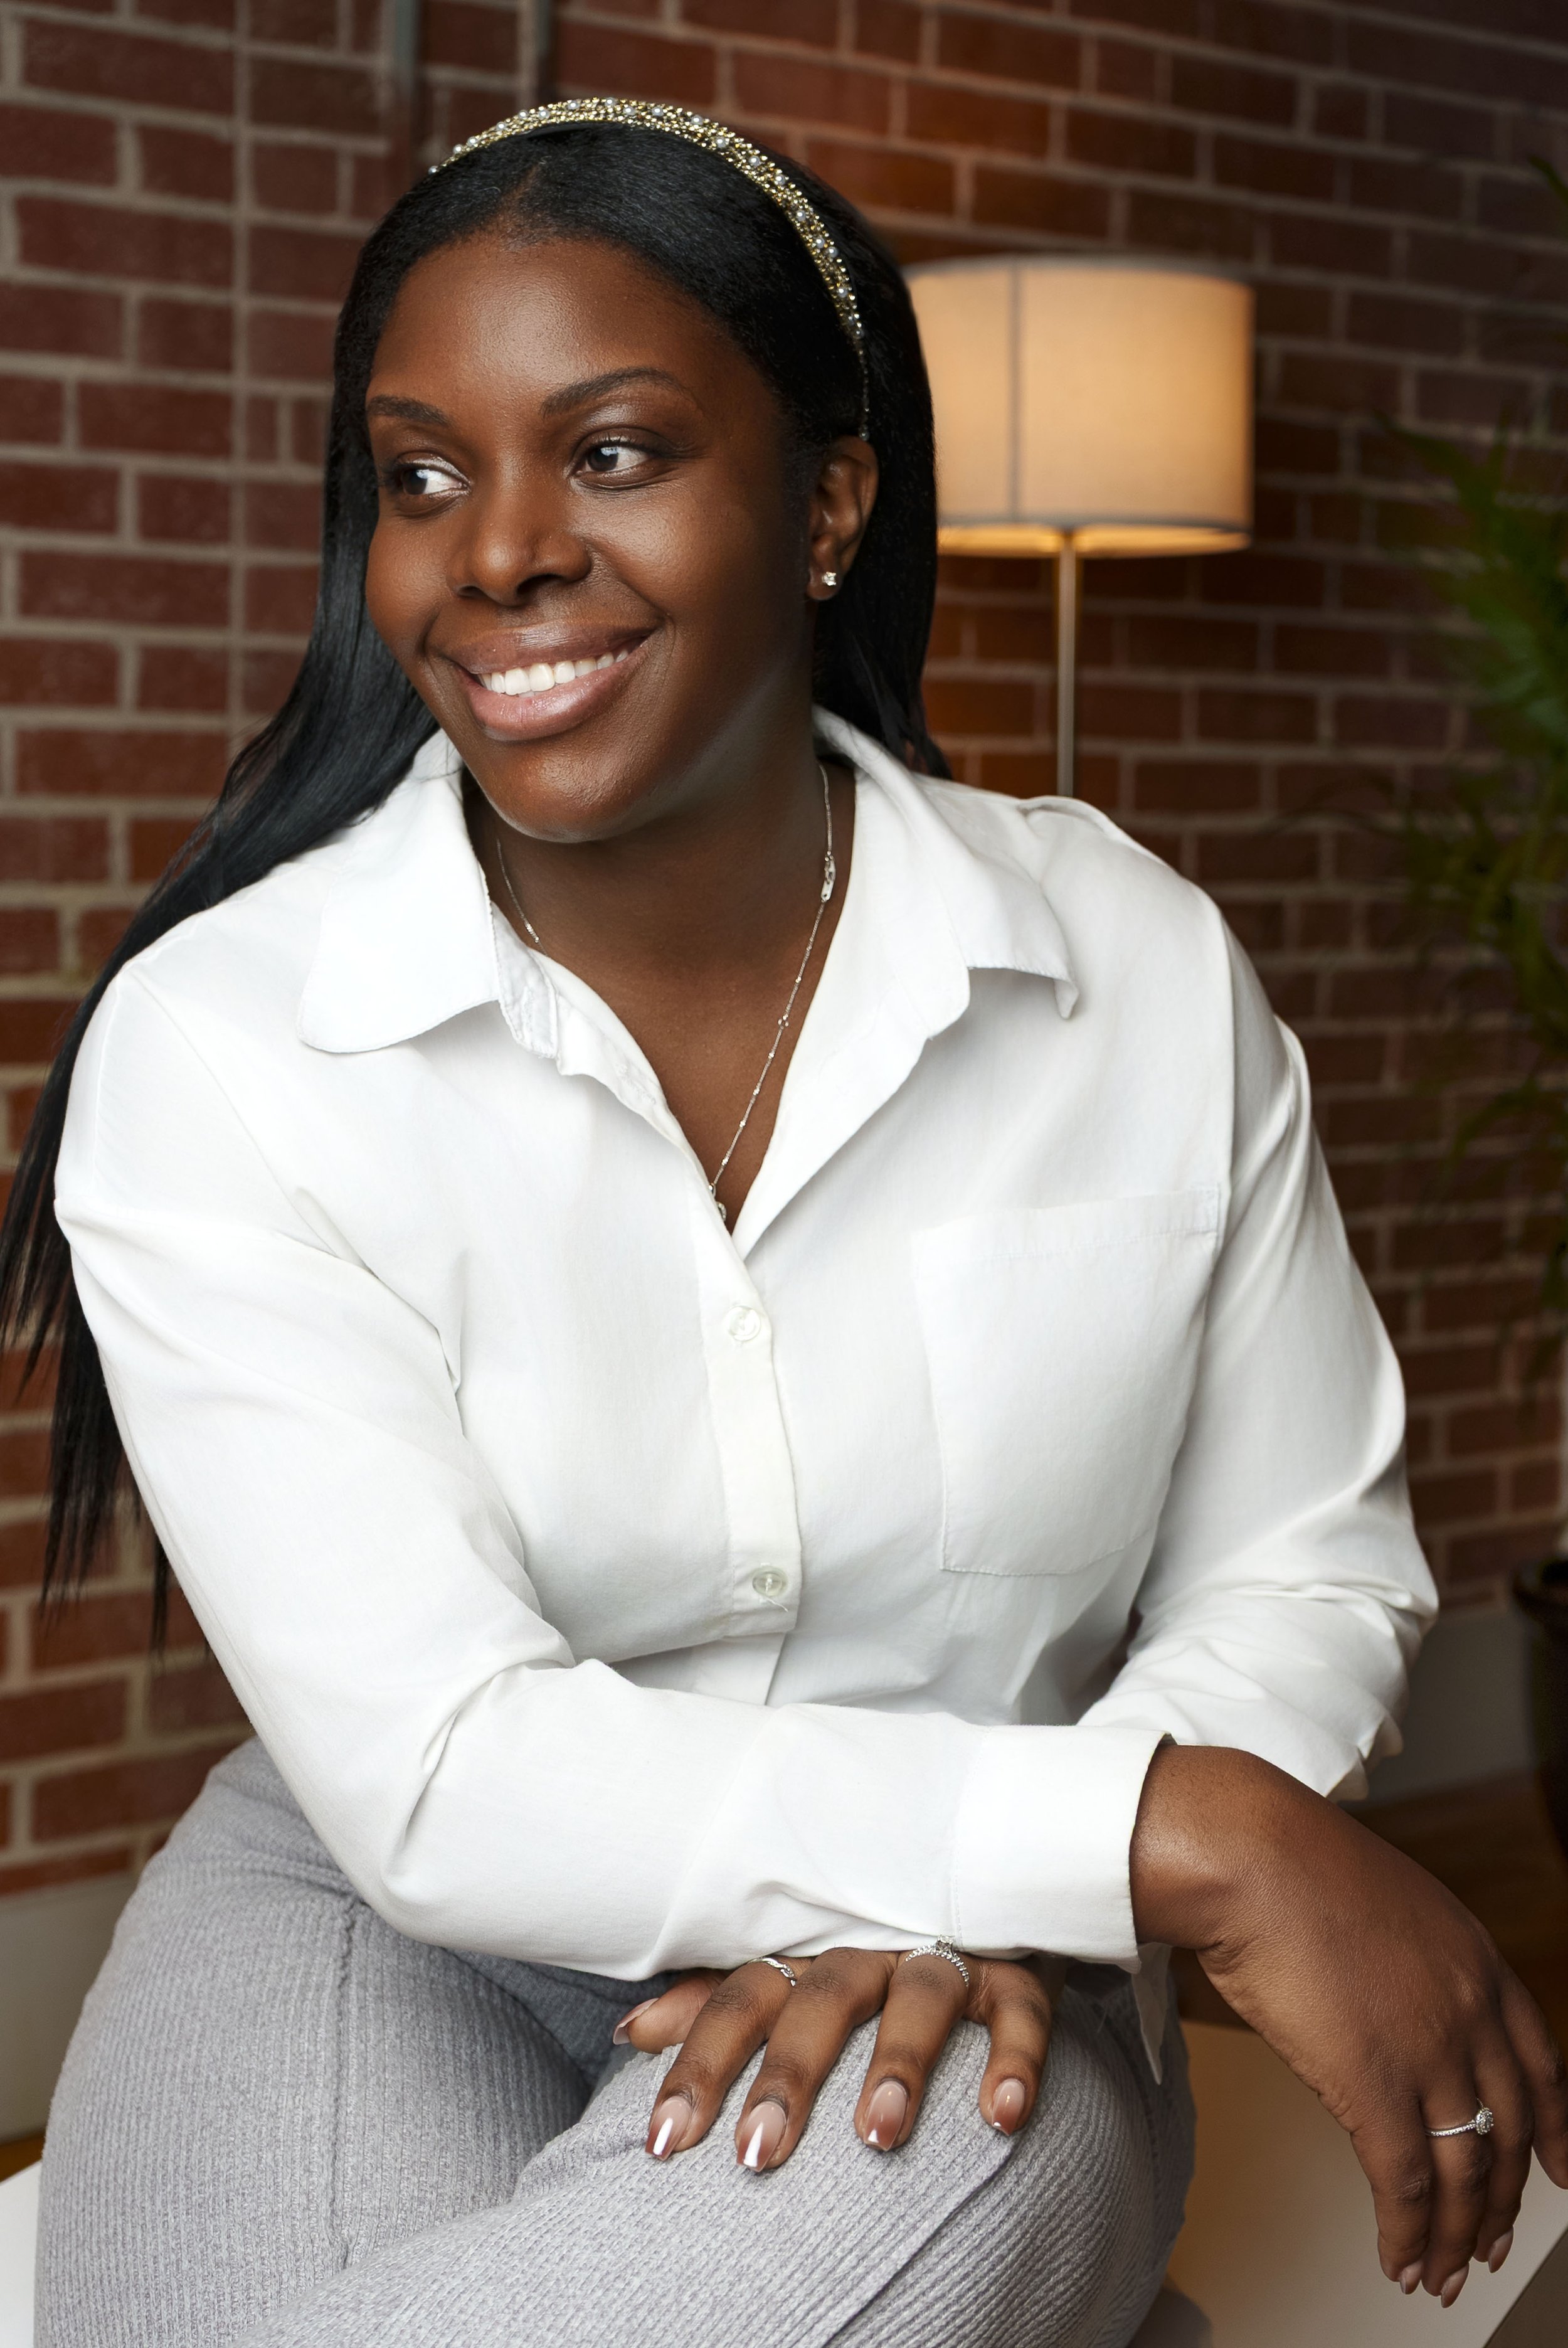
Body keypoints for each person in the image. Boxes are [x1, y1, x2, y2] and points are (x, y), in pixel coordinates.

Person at [4, 99, 1563, 2348]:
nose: (499, 551)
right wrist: (1163, 1833)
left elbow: (1293, 1564)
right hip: (379, 1914)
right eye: (422, 474)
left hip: (973, 1991)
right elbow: (440, 1772)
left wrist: (996, 1899)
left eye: (615, 451)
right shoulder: (229, 1040)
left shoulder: (1123, 968)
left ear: (829, 498)